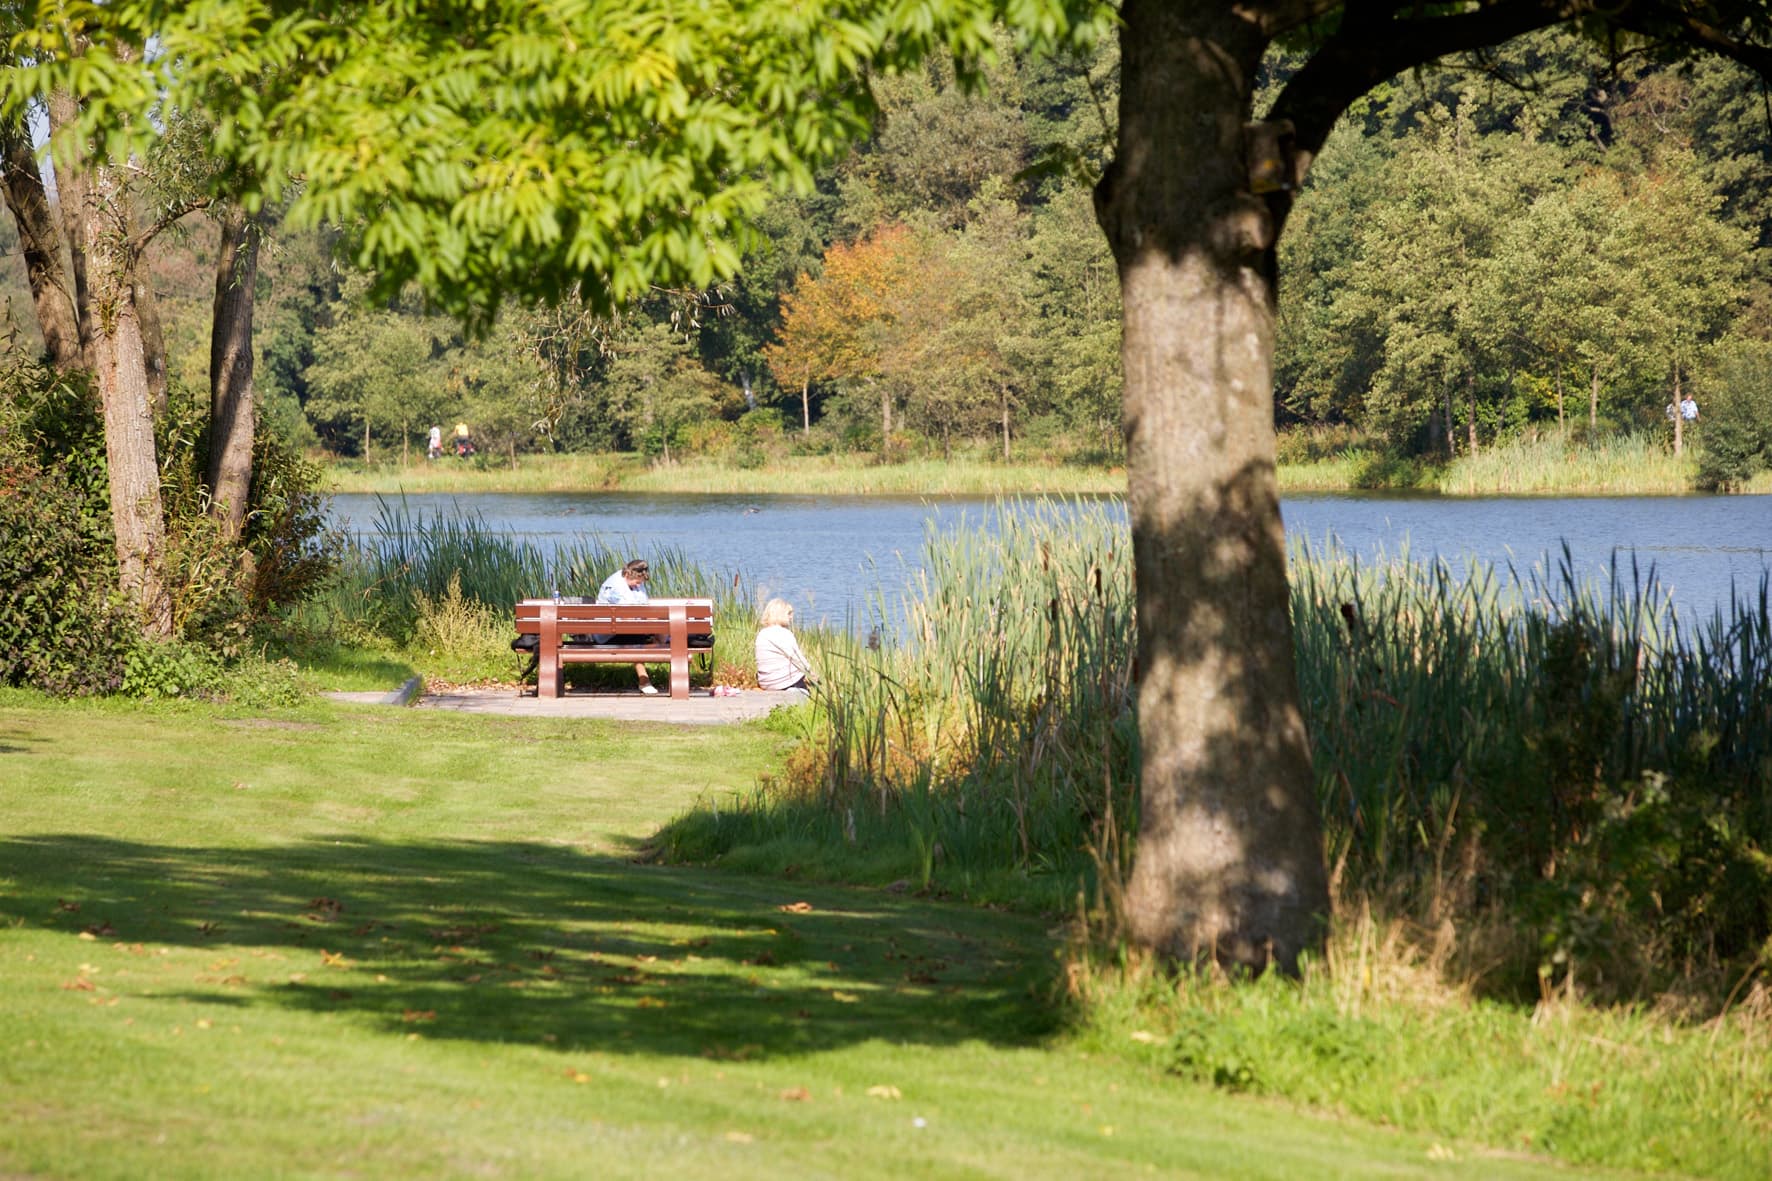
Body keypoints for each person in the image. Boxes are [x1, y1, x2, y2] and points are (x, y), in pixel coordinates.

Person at [595, 559, 660, 695]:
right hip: (609, 633)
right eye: (637, 582)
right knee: (634, 637)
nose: (639, 585)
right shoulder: (615, 587)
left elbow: (643, 606)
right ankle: (644, 680)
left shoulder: (634, 582)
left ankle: (647, 676)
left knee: (661, 631)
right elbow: (627, 615)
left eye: (640, 583)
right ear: (627, 575)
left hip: (630, 628)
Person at [754, 598, 815, 692]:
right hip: (783, 683)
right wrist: (810, 672)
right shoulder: (784, 634)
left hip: (765, 683)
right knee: (807, 688)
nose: (791, 617)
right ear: (780, 615)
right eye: (788, 614)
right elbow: (797, 658)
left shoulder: (761, 634)